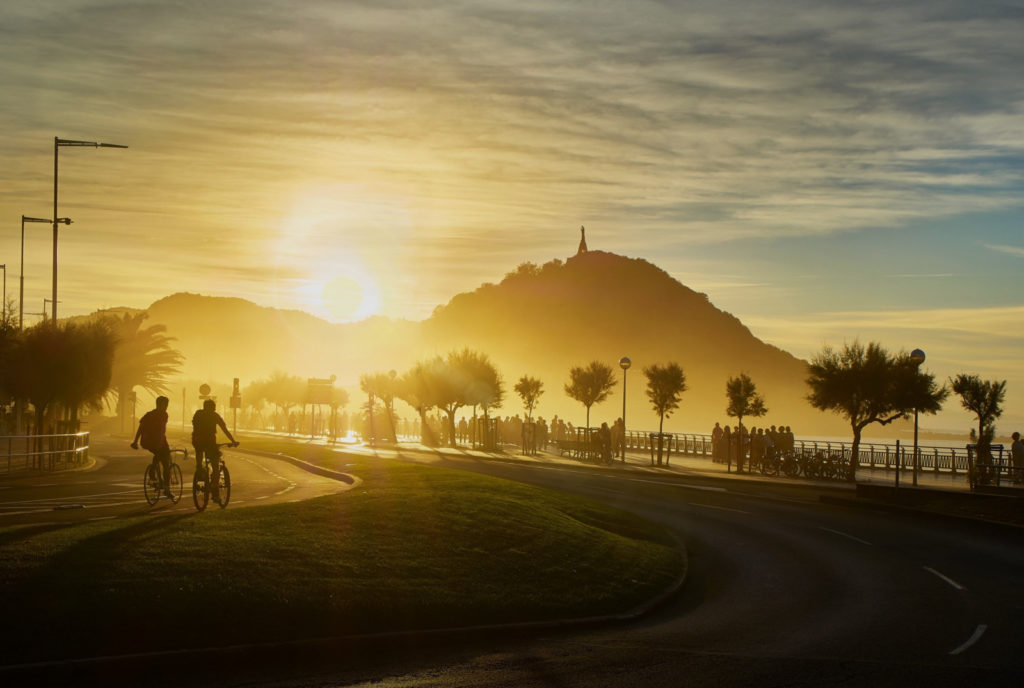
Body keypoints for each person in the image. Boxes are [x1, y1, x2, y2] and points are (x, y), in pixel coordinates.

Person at [192, 399, 238, 502]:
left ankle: (199, 469)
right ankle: (215, 492)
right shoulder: (215, 416)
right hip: (209, 442)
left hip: (197, 441)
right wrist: (233, 441)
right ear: (213, 408)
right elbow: (225, 429)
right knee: (216, 467)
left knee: (199, 452)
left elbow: (194, 427)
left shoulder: (198, 414)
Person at [131, 396, 172, 497]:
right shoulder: (161, 415)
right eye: (165, 405)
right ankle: (166, 489)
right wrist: (135, 441)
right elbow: (160, 431)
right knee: (166, 464)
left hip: (151, 442)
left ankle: (154, 474)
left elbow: (142, 428)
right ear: (161, 405)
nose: (167, 407)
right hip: (155, 442)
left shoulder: (151, 415)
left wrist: (135, 441)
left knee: (161, 457)